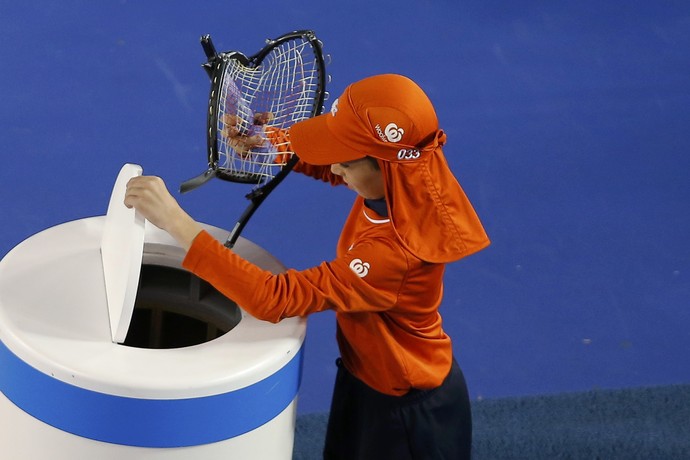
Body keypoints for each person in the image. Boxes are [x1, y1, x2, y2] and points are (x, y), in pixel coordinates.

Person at [125, 74, 490, 459]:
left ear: (386, 167)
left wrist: (176, 223)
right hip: (367, 378)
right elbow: (332, 165)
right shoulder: (408, 177)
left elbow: (273, 298)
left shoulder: (391, 255)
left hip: (404, 411)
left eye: (345, 162)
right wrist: (268, 143)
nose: (334, 170)